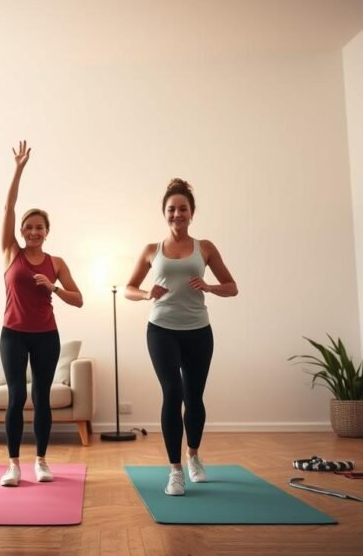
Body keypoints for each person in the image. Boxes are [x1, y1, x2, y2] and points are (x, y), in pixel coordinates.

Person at [124, 178, 238, 496]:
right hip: (160, 330)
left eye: (183, 209)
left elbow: (232, 286)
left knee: (194, 397)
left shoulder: (206, 248)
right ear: (165, 213)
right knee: (172, 393)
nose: (177, 214)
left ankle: (194, 456)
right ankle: (175, 470)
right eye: (172, 209)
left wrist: (210, 286)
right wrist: (147, 292)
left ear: (192, 213)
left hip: (198, 331)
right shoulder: (151, 250)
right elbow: (129, 289)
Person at [0, 140, 83, 487]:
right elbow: (8, 206)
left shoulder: (56, 263)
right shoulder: (9, 253)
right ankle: (13, 465)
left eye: (39, 228)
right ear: (21, 231)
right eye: (28, 227)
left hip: (47, 336)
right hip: (13, 335)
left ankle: (41, 461)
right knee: (17, 396)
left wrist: (54, 288)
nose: (33, 231)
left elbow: (78, 299)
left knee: (42, 397)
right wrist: (19, 168)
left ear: (47, 232)